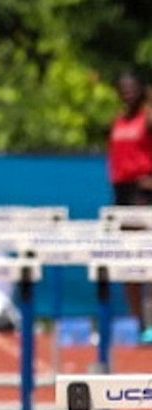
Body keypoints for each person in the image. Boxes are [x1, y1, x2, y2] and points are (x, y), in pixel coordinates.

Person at [108, 70, 152, 344]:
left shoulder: (147, 119)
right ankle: (140, 323)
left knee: (149, 262)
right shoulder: (118, 122)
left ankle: (151, 321)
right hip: (122, 195)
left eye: (132, 88)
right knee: (128, 265)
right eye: (123, 88)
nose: (128, 93)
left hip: (144, 195)